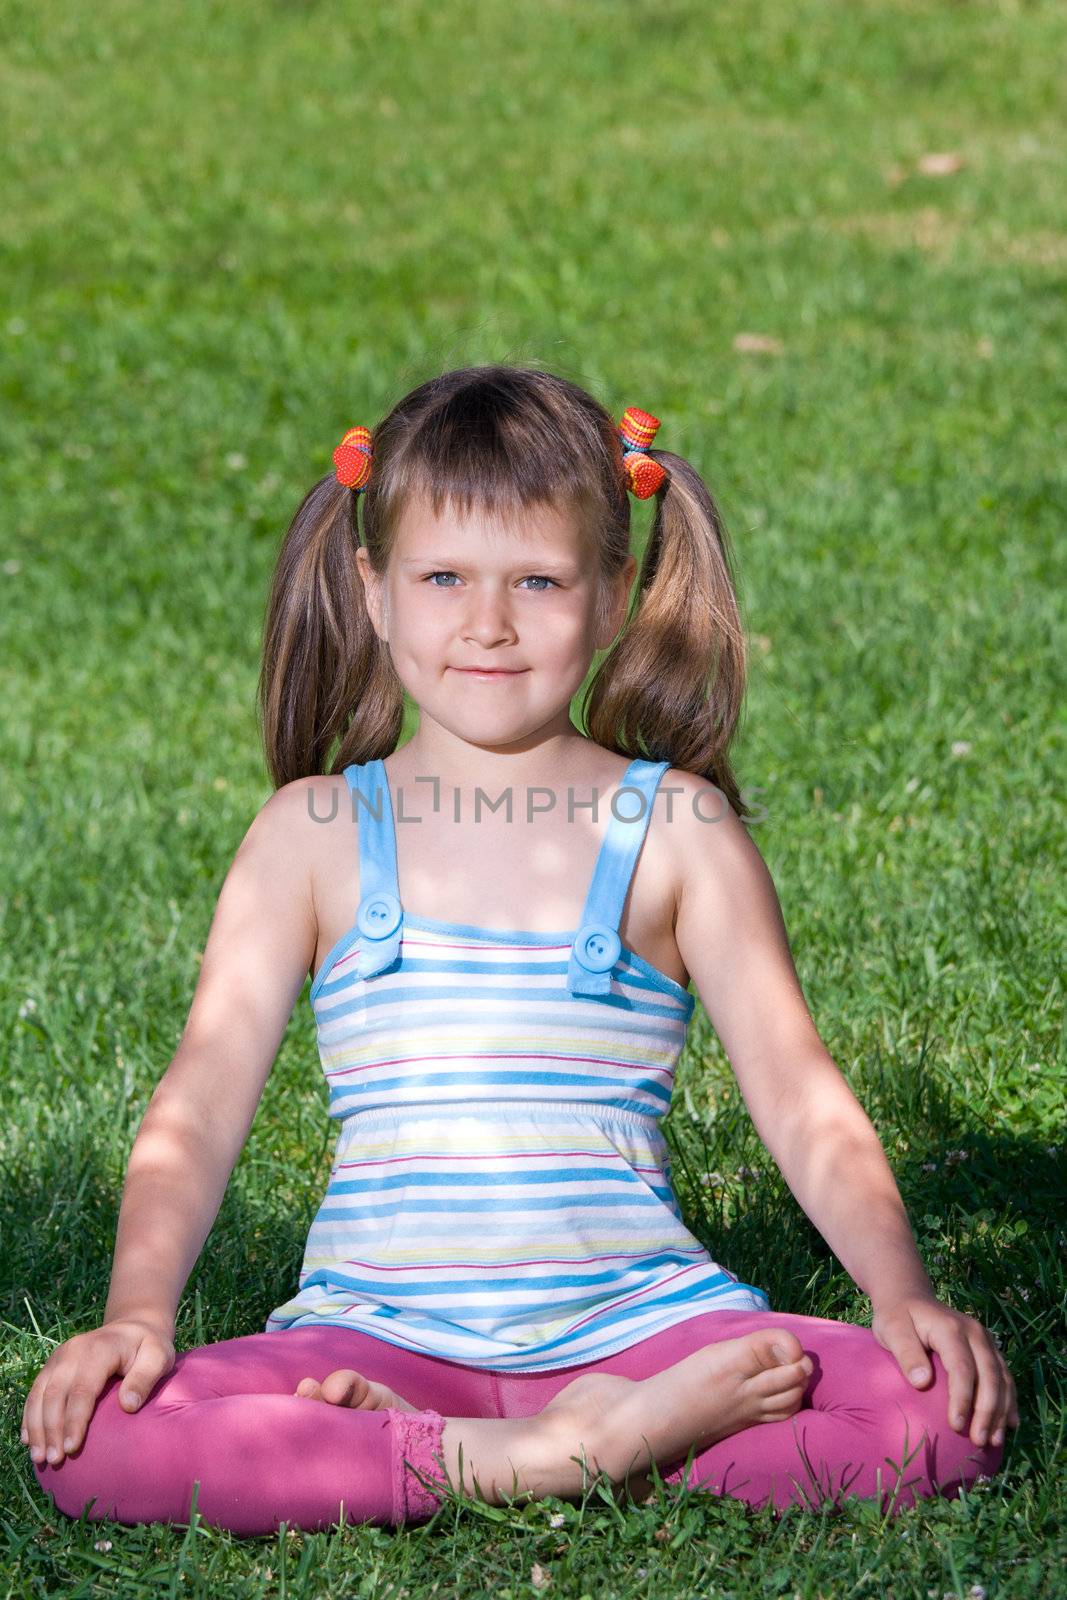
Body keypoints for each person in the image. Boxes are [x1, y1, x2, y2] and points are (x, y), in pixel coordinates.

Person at [23, 365, 1017, 1536]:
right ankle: (559, 1453)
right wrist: (138, 1313)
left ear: (610, 596)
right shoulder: (314, 835)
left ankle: (452, 1453)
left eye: (535, 581)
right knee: (96, 1444)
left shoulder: (675, 830)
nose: (486, 623)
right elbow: (201, 1096)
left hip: (643, 1327)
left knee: (940, 1418)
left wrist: (899, 1297)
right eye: (442, 577)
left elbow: (797, 1091)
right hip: (378, 1332)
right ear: (374, 591)